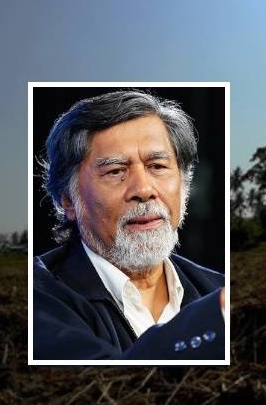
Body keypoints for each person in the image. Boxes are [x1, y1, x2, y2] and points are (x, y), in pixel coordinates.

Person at [33, 89, 225, 361]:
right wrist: (215, 317)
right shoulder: (35, 297)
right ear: (68, 201)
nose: (144, 189)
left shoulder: (218, 284)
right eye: (115, 171)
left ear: (184, 185)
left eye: (157, 166)